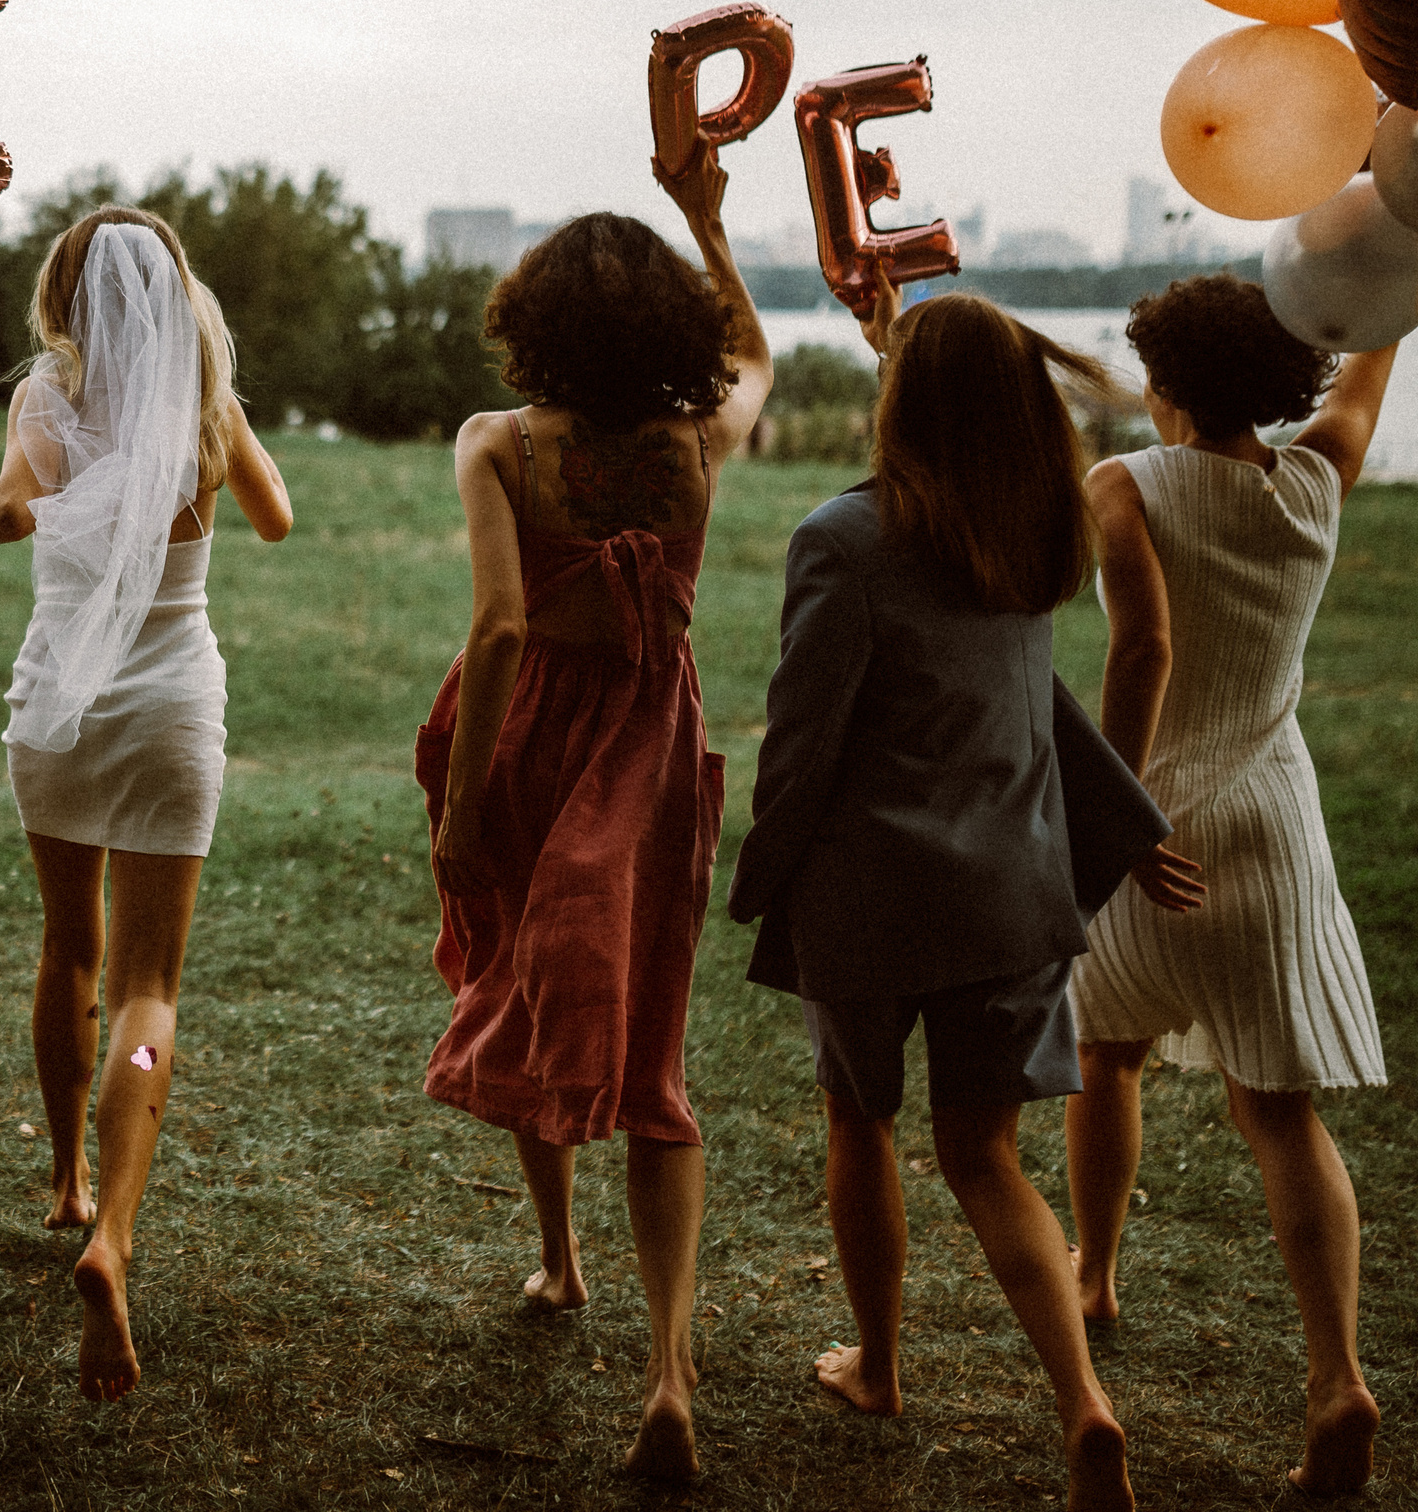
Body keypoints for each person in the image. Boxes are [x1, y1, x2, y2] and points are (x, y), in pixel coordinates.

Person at [728, 281, 1188, 1512]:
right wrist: (1129, 831)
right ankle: (1084, 1404)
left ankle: (876, 1366)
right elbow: (1034, 703)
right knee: (986, 1158)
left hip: (869, 903)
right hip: (1008, 900)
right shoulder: (1034, 528)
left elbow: (802, 739)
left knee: (860, 1123)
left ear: (901, 402)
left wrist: (755, 871)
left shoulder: (844, 537)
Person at [0, 207, 293, 1403]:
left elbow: (15, 508)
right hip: (173, 713)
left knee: (68, 947)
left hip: (56, 714)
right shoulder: (206, 406)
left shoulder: (45, 402)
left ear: (63, 294)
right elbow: (272, 519)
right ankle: (111, 1229)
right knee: (149, 988)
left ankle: (62, 1176)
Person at [415, 153, 772, 1479]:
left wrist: (463, 811)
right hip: (652, 738)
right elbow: (756, 359)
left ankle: (561, 1259)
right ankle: (666, 1369)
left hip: (529, 743)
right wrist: (710, 221)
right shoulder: (703, 440)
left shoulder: (499, 445)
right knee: (653, 1046)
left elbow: (501, 628)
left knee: (526, 980)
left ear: (536, 323)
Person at [1065, 275, 1395, 1499]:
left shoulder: (1124, 487)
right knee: (1279, 1116)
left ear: (1160, 385)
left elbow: (1142, 648)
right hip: (1271, 835)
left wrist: (1117, 808)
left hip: (1156, 825)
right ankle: (1335, 1381)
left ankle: (1092, 1273)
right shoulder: (1317, 479)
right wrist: (1385, 269)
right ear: (1283, 380)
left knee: (1106, 1057)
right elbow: (1367, 367)